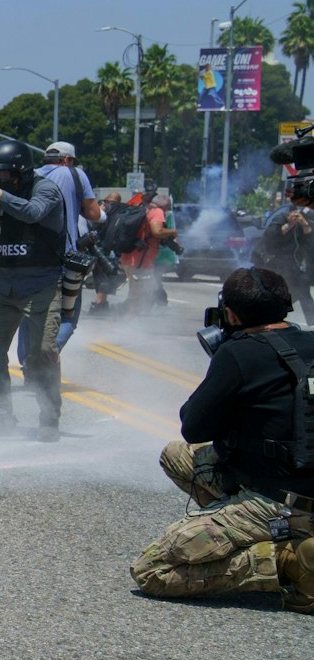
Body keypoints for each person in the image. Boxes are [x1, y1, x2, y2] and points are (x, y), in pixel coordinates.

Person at [131, 267, 314, 609]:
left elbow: (194, 427)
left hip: (277, 503)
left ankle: (287, 561)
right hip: (301, 484)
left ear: (230, 313)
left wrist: (226, 368)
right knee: (178, 456)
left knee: (152, 569)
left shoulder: (238, 353)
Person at [0, 141, 68, 441]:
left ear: (20, 171)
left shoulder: (45, 189)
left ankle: (49, 420)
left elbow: (32, 213)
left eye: (3, 174)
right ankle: (0, 417)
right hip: (5, 285)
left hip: (43, 286)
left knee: (43, 354)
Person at [253, 183, 314, 315]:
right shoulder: (282, 216)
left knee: (301, 289)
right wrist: (289, 225)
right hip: (273, 262)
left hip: (292, 265)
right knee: (277, 294)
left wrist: (305, 225)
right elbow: (270, 237)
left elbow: (310, 243)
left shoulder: (308, 219)